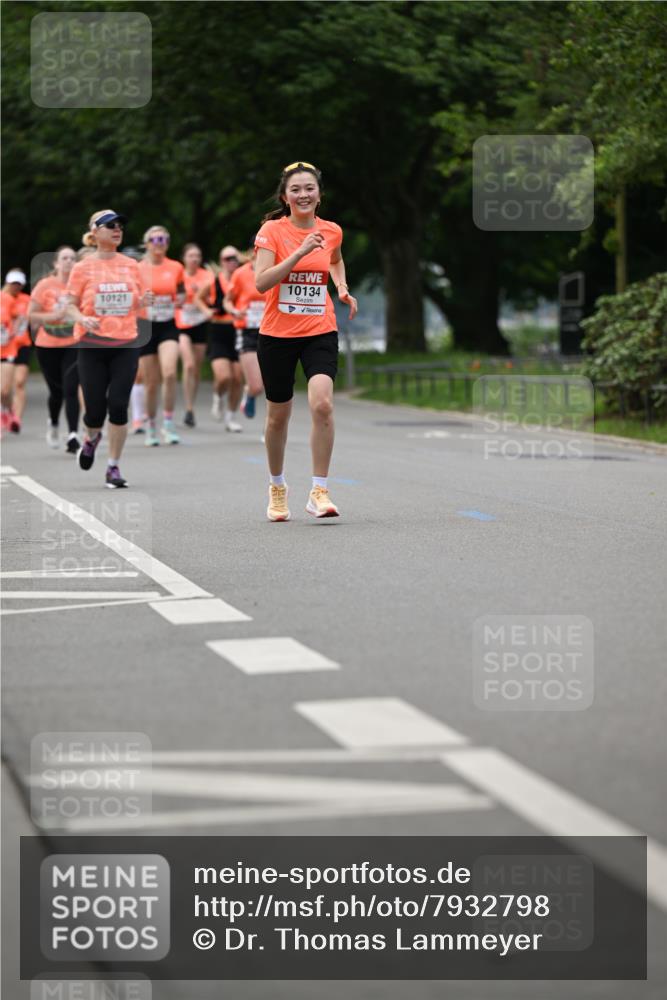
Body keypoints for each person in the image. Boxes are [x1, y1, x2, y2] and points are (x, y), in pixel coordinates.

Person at [254, 161, 357, 521]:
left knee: (322, 404)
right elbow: (262, 282)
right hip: (277, 334)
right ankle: (277, 487)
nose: (303, 194)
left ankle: (319, 490)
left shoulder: (331, 231)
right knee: (277, 417)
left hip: (320, 328)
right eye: (295, 189)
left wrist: (341, 287)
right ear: (285, 196)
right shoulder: (272, 231)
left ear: (319, 195)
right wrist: (297, 253)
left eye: (309, 188)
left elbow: (336, 260)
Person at [65, 208, 150, 488]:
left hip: (125, 342)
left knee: (118, 406)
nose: (117, 229)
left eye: (120, 226)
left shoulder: (131, 264)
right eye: (110, 225)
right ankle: (91, 438)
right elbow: (68, 304)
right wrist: (82, 318)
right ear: (95, 232)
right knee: (94, 411)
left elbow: (134, 301)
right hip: (91, 345)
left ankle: (113, 466)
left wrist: (144, 300)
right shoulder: (82, 267)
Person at [29, 246, 81, 452]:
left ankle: (73, 435)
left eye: (72, 258)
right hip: (47, 344)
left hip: (72, 343)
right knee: (56, 392)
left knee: (71, 388)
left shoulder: (80, 286)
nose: (69, 261)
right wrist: (52, 316)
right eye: (64, 258)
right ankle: (53, 423)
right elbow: (31, 315)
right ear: (56, 263)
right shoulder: (45, 285)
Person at [137, 225, 185, 446]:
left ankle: (167, 421)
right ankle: (150, 425)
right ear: (147, 243)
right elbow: (132, 297)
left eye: (164, 239)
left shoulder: (175, 267)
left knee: (169, 374)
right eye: (156, 239)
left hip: (167, 325)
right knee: (151, 382)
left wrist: (180, 300)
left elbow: (182, 292)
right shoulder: (138, 269)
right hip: (146, 326)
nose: (160, 243)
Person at [195, 245, 243, 431]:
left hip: (239, 330)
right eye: (228, 258)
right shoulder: (214, 281)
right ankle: (218, 397)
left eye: (235, 258)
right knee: (224, 376)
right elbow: (198, 298)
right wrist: (206, 311)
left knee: (238, 378)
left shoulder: (243, 279)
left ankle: (231, 416)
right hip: (219, 330)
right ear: (221, 261)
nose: (232, 262)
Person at [223, 242, 267, 423]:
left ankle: (270, 429)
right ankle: (249, 395)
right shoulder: (240, 274)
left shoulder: (275, 271)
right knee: (256, 385)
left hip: (269, 331)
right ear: (250, 252)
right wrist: (233, 311)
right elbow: (227, 301)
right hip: (247, 331)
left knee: (270, 385)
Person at [176, 243, 210, 427]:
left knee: (196, 368)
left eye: (197, 255)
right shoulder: (178, 274)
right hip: (181, 323)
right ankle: (188, 408)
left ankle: (190, 406)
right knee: (188, 364)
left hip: (199, 324)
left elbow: (213, 299)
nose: (195, 259)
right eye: (191, 255)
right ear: (184, 258)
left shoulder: (206, 276)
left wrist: (203, 298)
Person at [0, 270, 31, 433]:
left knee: (17, 383)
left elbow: (21, 318)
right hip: (5, 347)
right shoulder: (5, 298)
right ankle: (6, 412)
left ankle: (15, 417)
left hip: (18, 346)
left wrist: (14, 329)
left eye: (18, 284)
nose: (15, 287)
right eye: (13, 283)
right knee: (3, 389)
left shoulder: (23, 300)